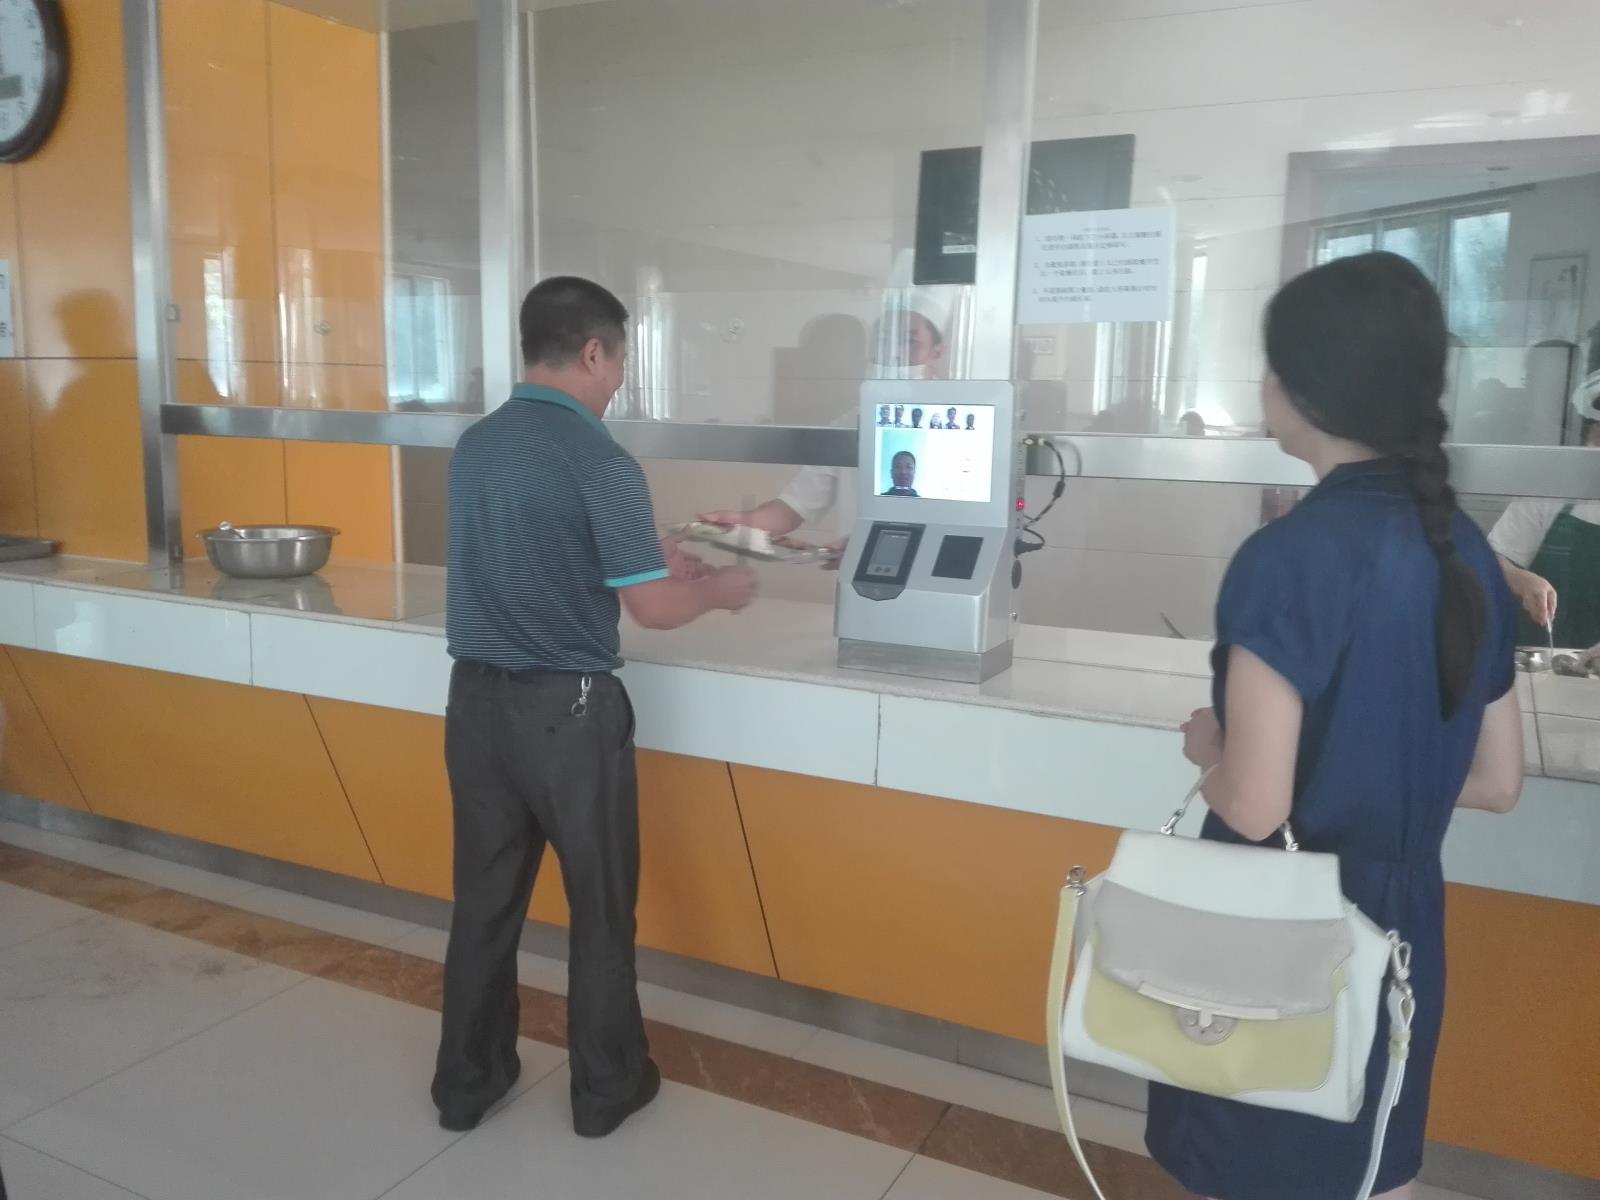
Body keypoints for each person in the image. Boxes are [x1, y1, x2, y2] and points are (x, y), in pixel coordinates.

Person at [1148, 252, 1523, 1200]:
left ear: (1306, 389)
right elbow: (1496, 783)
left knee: (1255, 1167)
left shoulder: (1288, 557)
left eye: (1271, 366)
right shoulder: (1465, 551)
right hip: (1402, 934)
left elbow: (1255, 800)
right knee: (1366, 1164)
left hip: (1273, 935)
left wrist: (1209, 747)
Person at [433, 276, 757, 1140]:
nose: (618, 379)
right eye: (617, 360)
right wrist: (719, 591)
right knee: (602, 909)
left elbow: (535, 555)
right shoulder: (601, 460)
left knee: (484, 905)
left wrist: (651, 556)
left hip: (474, 707)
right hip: (569, 717)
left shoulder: (477, 446)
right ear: (590, 352)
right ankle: (606, 1091)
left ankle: (466, 1084)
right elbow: (651, 610)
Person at [701, 301, 948, 543]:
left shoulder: (959, 420)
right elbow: (793, 508)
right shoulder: (850, 422)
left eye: (909, 341)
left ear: (936, 352)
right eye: (884, 341)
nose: (894, 354)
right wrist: (737, 520)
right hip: (856, 566)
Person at [1489, 369, 1600, 652]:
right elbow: (1489, 560)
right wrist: (1520, 579)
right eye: (1597, 434)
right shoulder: (1551, 489)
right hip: (1543, 660)